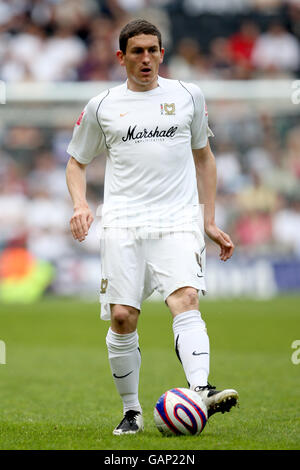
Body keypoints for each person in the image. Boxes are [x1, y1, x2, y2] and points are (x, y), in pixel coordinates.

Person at [66, 19, 238, 435]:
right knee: (123, 317)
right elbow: (76, 161)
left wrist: (208, 219)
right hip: (123, 222)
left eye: (153, 50)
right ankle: (132, 411)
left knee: (186, 299)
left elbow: (205, 157)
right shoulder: (102, 105)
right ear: (121, 57)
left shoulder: (187, 95)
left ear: (163, 52)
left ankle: (200, 391)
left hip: (177, 220)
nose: (147, 58)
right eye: (138, 51)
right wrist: (79, 204)